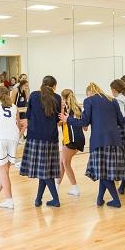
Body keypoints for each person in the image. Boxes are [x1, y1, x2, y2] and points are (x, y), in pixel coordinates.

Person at [60, 82, 125, 208]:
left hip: (99, 142)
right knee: (104, 171)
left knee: (103, 172)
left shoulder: (89, 101)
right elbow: (121, 122)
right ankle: (100, 199)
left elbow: (84, 122)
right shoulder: (112, 100)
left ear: (89, 93)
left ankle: (116, 200)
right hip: (115, 141)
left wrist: (67, 119)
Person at [19, 76, 61, 207]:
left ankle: (51, 199)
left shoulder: (34, 95)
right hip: (51, 138)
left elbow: (29, 115)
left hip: (35, 137)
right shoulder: (57, 98)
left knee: (44, 171)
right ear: (54, 85)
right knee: (45, 171)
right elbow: (58, 119)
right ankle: (40, 199)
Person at [57, 89, 85, 196]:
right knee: (62, 162)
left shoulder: (66, 109)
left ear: (63, 98)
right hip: (78, 139)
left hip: (71, 139)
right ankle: (56, 186)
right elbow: (85, 127)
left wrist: (61, 109)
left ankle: (75, 187)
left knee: (65, 162)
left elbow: (59, 123)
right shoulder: (78, 108)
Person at [10, 79, 29, 143]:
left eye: (27, 86)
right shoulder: (15, 90)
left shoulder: (25, 91)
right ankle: (16, 138)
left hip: (22, 111)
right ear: (21, 85)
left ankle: (18, 137)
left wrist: (27, 91)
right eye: (25, 85)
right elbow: (12, 102)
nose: (26, 87)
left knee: (26, 124)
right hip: (16, 111)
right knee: (18, 125)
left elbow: (26, 101)